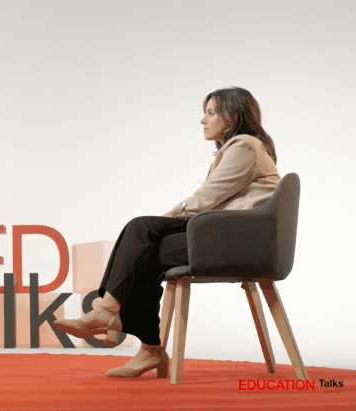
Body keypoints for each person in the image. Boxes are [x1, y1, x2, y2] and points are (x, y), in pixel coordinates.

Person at [54, 87, 280, 378]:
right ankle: (134, 335)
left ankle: (118, 320)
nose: (203, 120)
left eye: (211, 112)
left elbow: (207, 198)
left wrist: (164, 218)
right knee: (144, 246)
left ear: (232, 117)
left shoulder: (244, 146)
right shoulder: (244, 147)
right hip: (230, 236)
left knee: (142, 232)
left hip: (235, 241)